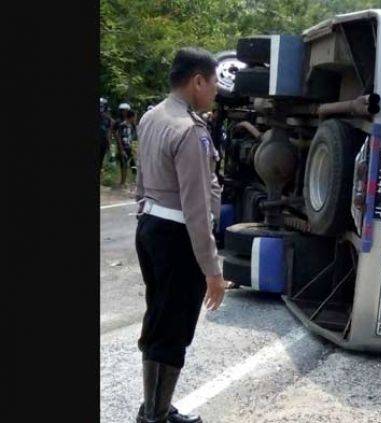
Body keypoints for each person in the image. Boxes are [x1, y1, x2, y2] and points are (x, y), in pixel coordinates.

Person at [134, 47, 230, 423]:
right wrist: (213, 270)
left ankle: (155, 406)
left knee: (159, 316)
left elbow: (141, 184)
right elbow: (196, 207)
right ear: (198, 81)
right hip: (178, 237)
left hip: (151, 229)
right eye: (215, 82)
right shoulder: (190, 131)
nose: (217, 90)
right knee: (173, 326)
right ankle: (155, 416)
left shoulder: (152, 117)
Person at [115, 103, 137, 185]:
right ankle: (122, 182)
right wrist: (121, 149)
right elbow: (118, 137)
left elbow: (134, 137)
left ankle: (134, 181)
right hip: (124, 147)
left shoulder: (132, 126)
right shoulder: (121, 125)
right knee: (123, 165)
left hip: (130, 147)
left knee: (133, 165)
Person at [99, 97, 113, 173]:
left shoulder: (107, 118)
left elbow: (109, 131)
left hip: (103, 142)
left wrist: (109, 143)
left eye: (102, 106)